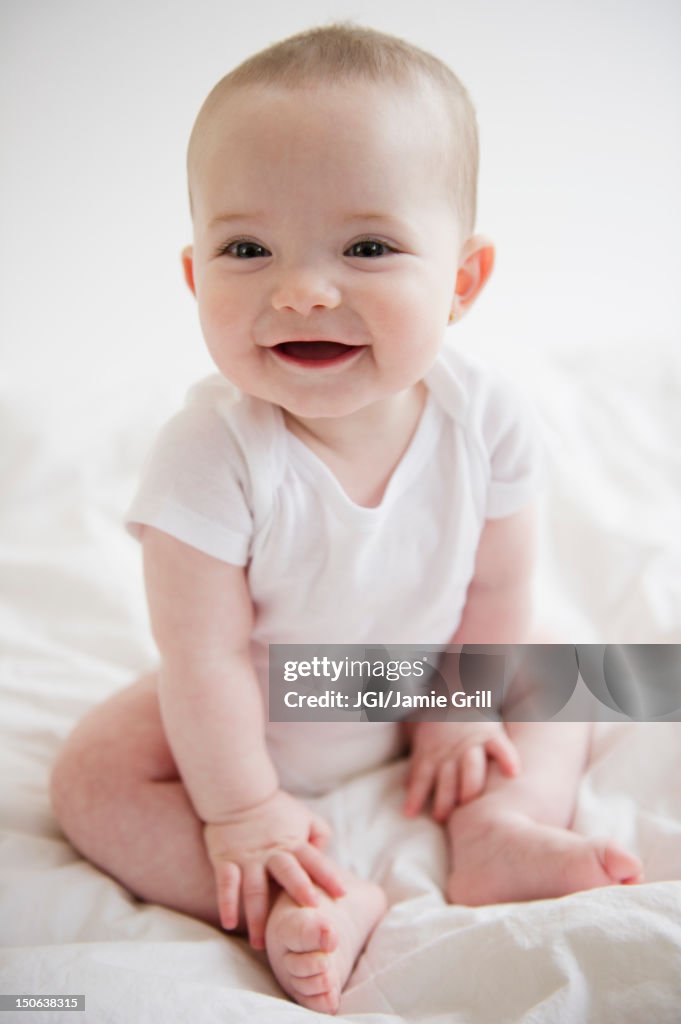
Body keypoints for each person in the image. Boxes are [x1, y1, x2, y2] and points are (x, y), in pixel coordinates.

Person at [49, 23, 643, 1015]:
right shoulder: (209, 455)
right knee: (90, 779)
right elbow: (205, 661)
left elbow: (498, 587)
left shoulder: (484, 413)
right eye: (248, 247)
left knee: (567, 664)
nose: (301, 288)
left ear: (461, 282)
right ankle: (299, 892)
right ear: (198, 277)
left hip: (423, 674)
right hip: (263, 707)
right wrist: (244, 811)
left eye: (367, 246)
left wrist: (463, 703)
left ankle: (500, 831)